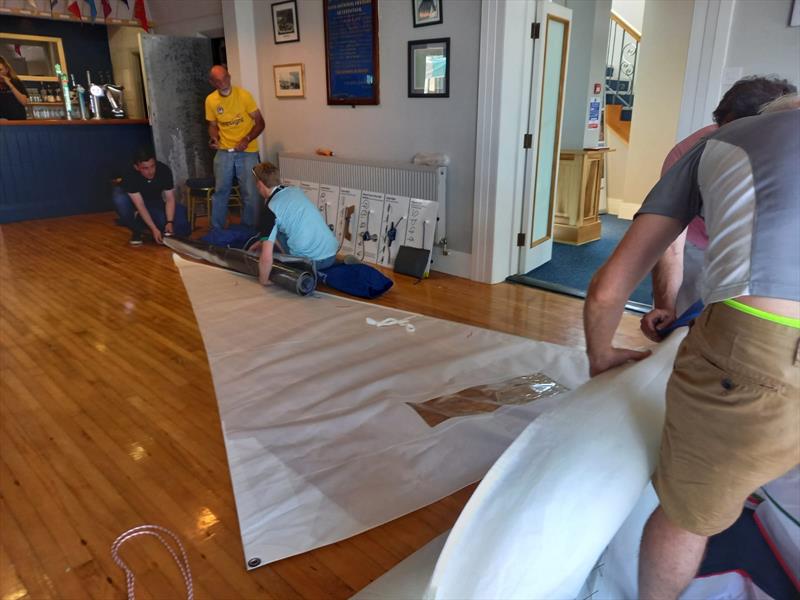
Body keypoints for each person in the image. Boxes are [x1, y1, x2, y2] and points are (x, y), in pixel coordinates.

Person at [584, 101, 799, 600]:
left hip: (762, 346)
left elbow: (607, 290)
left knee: (686, 516)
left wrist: (601, 357)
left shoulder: (714, 144)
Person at [641, 76, 796, 341]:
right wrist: (666, 306)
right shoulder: (688, 153)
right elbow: (670, 246)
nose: (727, 145)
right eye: (724, 133)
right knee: (683, 335)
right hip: (699, 246)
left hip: (771, 260)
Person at [248, 162, 338, 286]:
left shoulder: (270, 209)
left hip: (312, 262)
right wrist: (262, 240)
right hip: (332, 253)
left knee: (273, 230)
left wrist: (263, 280)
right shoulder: (294, 190)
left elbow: (267, 256)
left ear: (259, 184)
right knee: (281, 227)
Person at [205, 65, 265, 232]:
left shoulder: (244, 96)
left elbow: (260, 123)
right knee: (221, 191)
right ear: (212, 82)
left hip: (247, 151)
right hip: (224, 151)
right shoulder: (210, 100)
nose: (223, 82)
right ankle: (217, 230)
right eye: (218, 80)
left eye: (225, 78)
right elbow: (212, 125)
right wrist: (214, 137)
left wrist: (246, 139)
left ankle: (249, 230)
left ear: (229, 77)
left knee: (250, 193)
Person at [112, 148, 190, 245]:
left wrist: (170, 222)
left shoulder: (163, 170)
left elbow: (170, 198)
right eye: (145, 168)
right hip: (133, 200)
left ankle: (144, 222)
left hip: (154, 200)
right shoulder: (129, 174)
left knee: (180, 221)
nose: (150, 171)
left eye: (152, 166)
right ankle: (136, 229)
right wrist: (154, 229)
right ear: (137, 167)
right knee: (120, 200)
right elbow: (140, 205)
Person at [0, 56, 29, 120]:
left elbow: (24, 102)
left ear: (7, 69)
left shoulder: (15, 81)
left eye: (0, 70)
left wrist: (10, 84)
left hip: (18, 122)